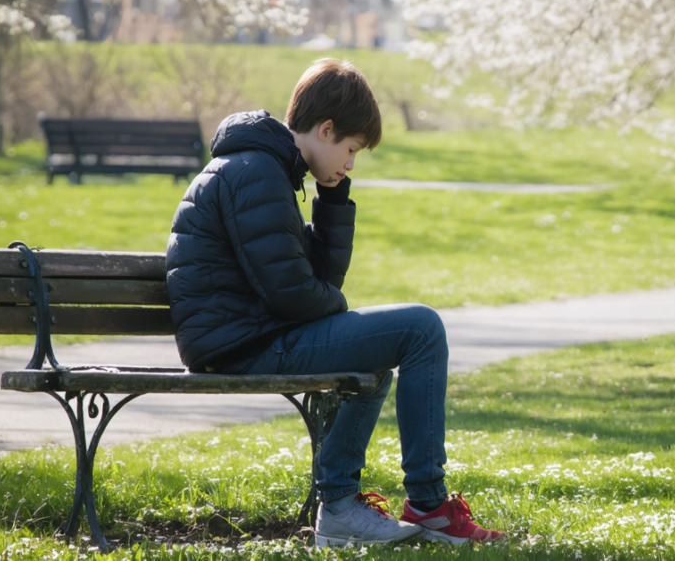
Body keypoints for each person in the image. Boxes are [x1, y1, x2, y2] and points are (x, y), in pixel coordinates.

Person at [165, 58, 504, 547]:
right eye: (350, 149)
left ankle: (341, 506)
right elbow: (291, 292)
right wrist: (336, 306)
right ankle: (428, 505)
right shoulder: (256, 172)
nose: (349, 163)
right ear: (325, 130)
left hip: (251, 334)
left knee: (385, 352)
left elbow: (310, 280)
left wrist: (334, 201)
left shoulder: (267, 168)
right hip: (243, 344)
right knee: (421, 328)